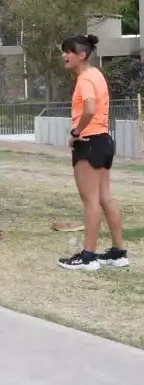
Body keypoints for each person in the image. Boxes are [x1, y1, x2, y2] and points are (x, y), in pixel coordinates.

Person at [58, 34, 129, 271]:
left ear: (82, 55)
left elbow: (89, 108)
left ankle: (88, 257)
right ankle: (118, 253)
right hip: (103, 141)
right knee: (105, 198)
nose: (64, 55)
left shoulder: (85, 79)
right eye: (64, 51)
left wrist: (77, 131)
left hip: (89, 143)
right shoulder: (97, 74)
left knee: (91, 202)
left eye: (69, 51)